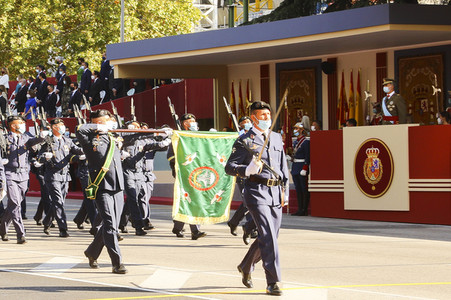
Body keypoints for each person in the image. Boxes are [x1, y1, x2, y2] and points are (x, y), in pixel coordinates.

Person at [225, 101, 289, 296]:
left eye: (268, 114)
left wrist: (284, 189)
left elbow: (282, 164)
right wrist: (246, 170)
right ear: (253, 117)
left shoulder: (276, 137)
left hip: (275, 192)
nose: (267, 118)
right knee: (268, 236)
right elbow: (229, 167)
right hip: (256, 192)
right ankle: (273, 281)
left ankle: (246, 265)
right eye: (262, 115)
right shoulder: (244, 140)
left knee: (270, 237)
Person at [76, 109, 127, 274]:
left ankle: (92, 252)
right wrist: (97, 126)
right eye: (101, 121)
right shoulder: (89, 139)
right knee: (111, 225)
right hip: (101, 186)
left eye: (107, 120)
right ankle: (117, 263)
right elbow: (80, 129)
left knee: (111, 225)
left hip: (117, 186)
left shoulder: (114, 138)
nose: (106, 124)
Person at [0, 116, 45, 244]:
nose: (22, 125)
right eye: (20, 123)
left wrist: (42, 136)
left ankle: (2, 228)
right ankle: (21, 234)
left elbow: (34, 141)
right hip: (10, 174)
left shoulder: (25, 137)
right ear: (13, 126)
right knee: (15, 204)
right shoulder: (4, 139)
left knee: (14, 204)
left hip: (23, 175)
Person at [40, 119, 84, 237]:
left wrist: (87, 150)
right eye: (60, 125)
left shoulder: (67, 141)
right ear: (54, 127)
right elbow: (40, 157)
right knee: (58, 202)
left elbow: (77, 150)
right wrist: (45, 157)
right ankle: (63, 228)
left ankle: (47, 221)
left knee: (59, 202)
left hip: (65, 176)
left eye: (63, 125)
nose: (62, 127)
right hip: (53, 175)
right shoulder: (48, 141)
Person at [167, 113, 206, 240]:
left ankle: (178, 226)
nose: (193, 123)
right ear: (185, 124)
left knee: (192, 200)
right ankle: (195, 230)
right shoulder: (178, 137)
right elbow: (171, 156)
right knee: (190, 199)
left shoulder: (199, 136)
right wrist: (181, 166)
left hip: (198, 172)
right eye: (190, 121)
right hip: (184, 173)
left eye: (194, 121)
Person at [290, 122, 310, 216]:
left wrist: (305, 167)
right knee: (298, 188)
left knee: (303, 188)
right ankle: (299, 208)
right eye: (295, 129)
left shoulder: (305, 142)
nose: (295, 131)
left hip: (302, 166)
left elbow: (308, 156)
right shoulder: (296, 142)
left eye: (297, 129)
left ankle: (304, 209)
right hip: (295, 166)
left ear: (302, 130)